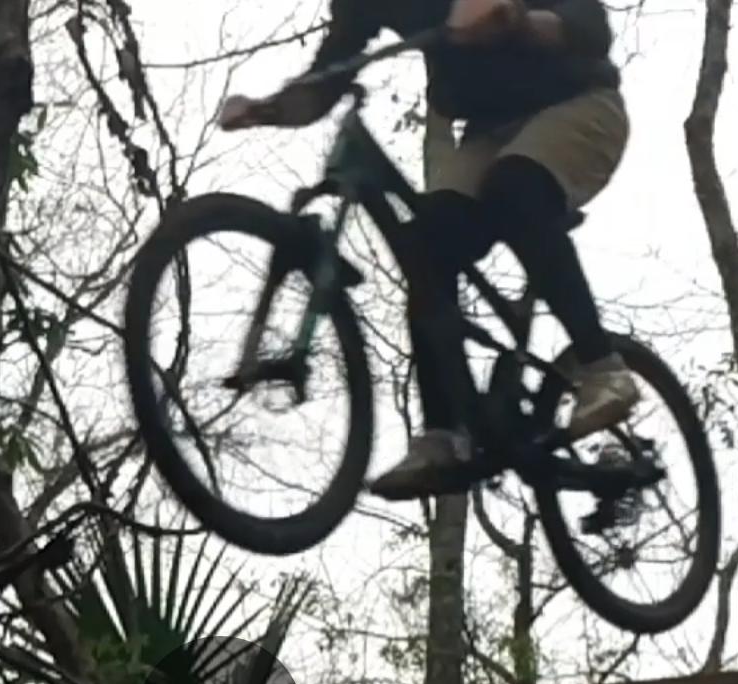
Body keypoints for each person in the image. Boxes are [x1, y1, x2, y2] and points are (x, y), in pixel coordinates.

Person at [219, 0, 637, 501]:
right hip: (490, 133)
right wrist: (267, 109)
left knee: (515, 189)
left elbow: (589, 27)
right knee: (426, 246)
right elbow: (327, 79)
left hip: (579, 104)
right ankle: (442, 436)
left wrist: (518, 22)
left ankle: (602, 368)